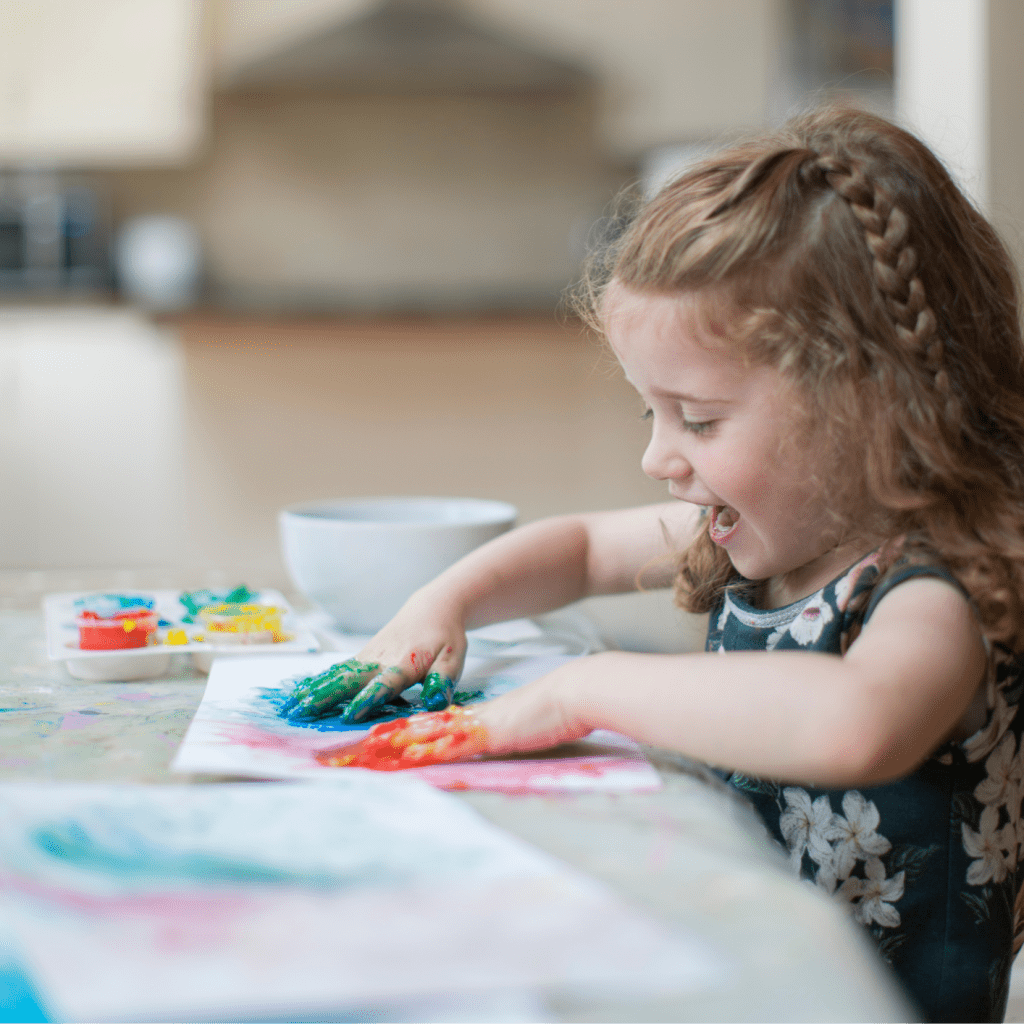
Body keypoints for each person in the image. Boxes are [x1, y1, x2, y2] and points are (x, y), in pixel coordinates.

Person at [313, 107, 1024, 1022]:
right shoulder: (756, 530)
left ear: (864, 405)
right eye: (649, 413)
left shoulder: (938, 587)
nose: (659, 456)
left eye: (698, 418)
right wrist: (442, 601)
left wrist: (586, 688)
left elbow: (858, 723)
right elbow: (579, 548)